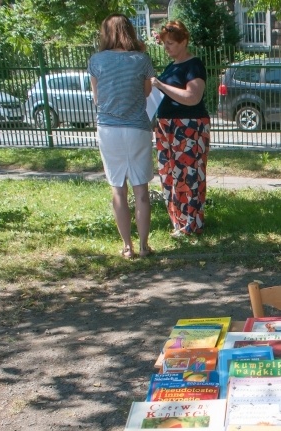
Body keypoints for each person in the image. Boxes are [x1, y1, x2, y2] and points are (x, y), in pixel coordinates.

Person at [87, 14, 157, 259]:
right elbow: (147, 92)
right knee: (141, 190)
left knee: (118, 189)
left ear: (105, 33)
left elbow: (97, 98)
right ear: (130, 31)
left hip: (109, 129)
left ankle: (127, 246)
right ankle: (144, 246)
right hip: (137, 128)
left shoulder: (96, 60)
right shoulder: (142, 59)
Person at [151, 21, 210, 238]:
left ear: (184, 42)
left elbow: (193, 97)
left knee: (189, 175)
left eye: (171, 43)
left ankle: (191, 225)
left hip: (188, 128)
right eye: (164, 43)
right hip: (167, 127)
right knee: (170, 175)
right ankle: (178, 222)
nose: (166, 47)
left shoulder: (193, 65)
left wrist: (161, 85)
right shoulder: (172, 65)